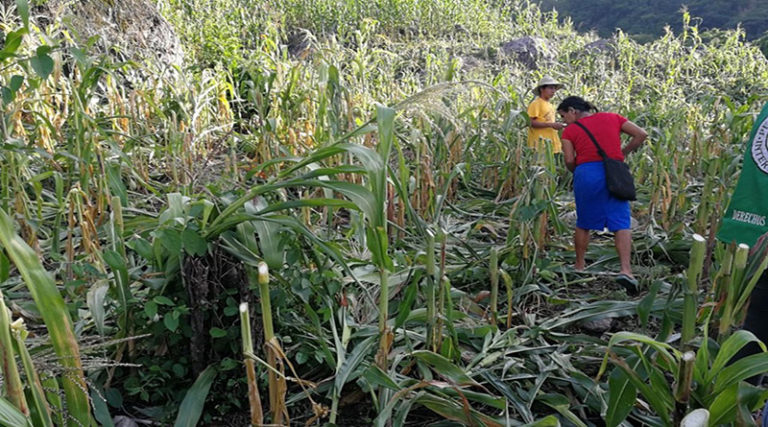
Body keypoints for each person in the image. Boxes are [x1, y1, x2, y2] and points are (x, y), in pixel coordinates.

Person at [556, 96, 647, 291]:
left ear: (572, 111)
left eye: (564, 116)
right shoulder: (613, 118)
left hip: (586, 173)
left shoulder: (570, 131)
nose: (564, 121)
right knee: (622, 222)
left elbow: (569, 159)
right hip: (613, 171)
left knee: (584, 222)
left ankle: (579, 266)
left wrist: (579, 171)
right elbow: (641, 134)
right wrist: (622, 153)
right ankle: (626, 270)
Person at [528, 76, 565, 154]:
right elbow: (530, 122)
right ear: (542, 89)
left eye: (555, 89)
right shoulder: (536, 103)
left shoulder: (550, 105)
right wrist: (551, 124)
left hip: (550, 144)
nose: (553, 91)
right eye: (551, 88)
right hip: (540, 145)